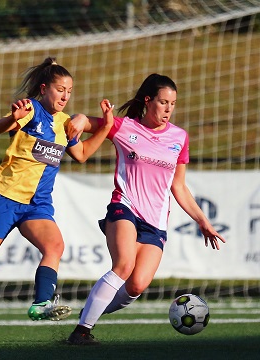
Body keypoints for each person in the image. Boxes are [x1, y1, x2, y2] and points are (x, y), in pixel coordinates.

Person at [0, 57, 115, 336]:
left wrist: (107, 125)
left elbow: (83, 154)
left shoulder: (65, 123)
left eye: (69, 91)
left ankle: (41, 304)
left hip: (36, 205)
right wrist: (10, 119)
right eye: (60, 89)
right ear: (44, 89)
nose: (65, 95)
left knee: (54, 247)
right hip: (4, 197)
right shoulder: (31, 110)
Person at [65, 73, 226, 345]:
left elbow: (179, 187)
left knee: (136, 285)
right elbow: (90, 123)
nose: (168, 109)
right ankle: (82, 331)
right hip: (124, 207)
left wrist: (202, 220)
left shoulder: (179, 137)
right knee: (124, 265)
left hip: (156, 222)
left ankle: (90, 312)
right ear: (148, 101)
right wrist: (80, 117)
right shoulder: (124, 127)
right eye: (163, 102)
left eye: (172, 104)